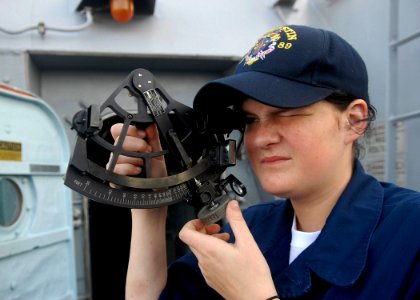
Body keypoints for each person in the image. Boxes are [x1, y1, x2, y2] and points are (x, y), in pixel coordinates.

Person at [110, 25, 420, 299]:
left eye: (286, 113)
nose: (260, 138)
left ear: (353, 120)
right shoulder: (251, 229)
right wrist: (149, 206)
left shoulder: (409, 235)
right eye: (251, 120)